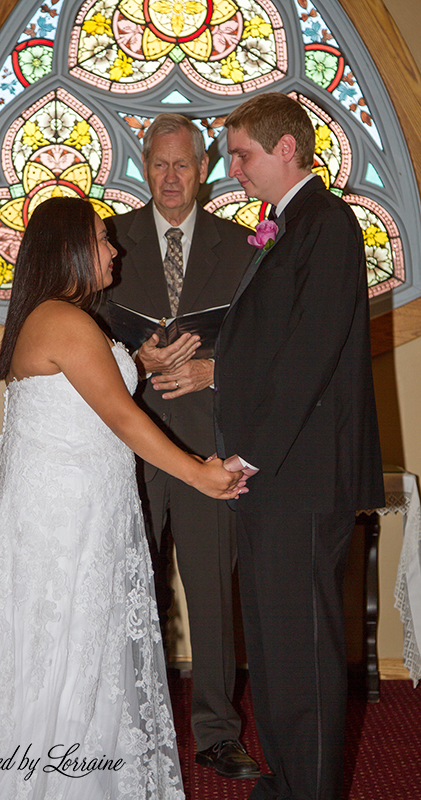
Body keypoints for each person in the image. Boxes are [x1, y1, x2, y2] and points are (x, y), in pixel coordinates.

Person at [0, 197, 245, 799]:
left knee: (70, 642)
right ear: (71, 250)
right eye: (104, 239)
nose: (115, 249)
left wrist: (137, 358)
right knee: (65, 638)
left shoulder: (59, 319)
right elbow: (123, 420)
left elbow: (86, 392)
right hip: (68, 517)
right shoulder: (66, 321)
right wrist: (201, 475)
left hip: (78, 506)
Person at [214, 92, 385, 799]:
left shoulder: (326, 223)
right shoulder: (290, 224)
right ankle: (284, 780)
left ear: (286, 149)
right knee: (277, 644)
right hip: (277, 473)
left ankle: (308, 790)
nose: (233, 169)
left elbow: (308, 352)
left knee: (305, 651)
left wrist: (247, 453)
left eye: (241, 154)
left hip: (299, 473)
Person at [102, 113, 259, 778]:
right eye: (158, 165)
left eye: (182, 165)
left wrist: (213, 367)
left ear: (203, 170)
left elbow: (270, 343)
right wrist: (130, 355)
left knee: (210, 590)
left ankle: (218, 732)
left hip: (208, 449)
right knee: (132, 590)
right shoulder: (110, 240)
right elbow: (75, 328)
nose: (170, 177)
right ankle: (129, 724)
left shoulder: (245, 245)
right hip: (129, 446)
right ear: (146, 167)